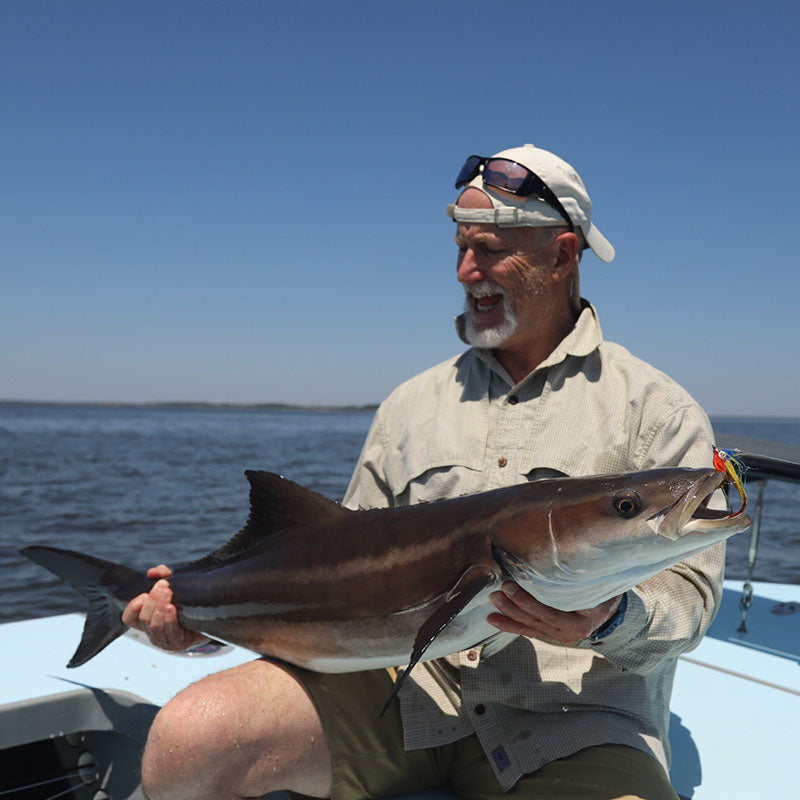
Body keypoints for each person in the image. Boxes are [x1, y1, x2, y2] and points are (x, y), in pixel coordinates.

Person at [124, 144, 724, 800]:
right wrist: (202, 629)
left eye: (491, 248)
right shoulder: (411, 405)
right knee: (189, 742)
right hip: (408, 697)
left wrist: (611, 617)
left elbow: (690, 599)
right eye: (462, 248)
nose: (468, 271)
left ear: (562, 257)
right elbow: (333, 582)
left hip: (571, 720)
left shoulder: (656, 410)